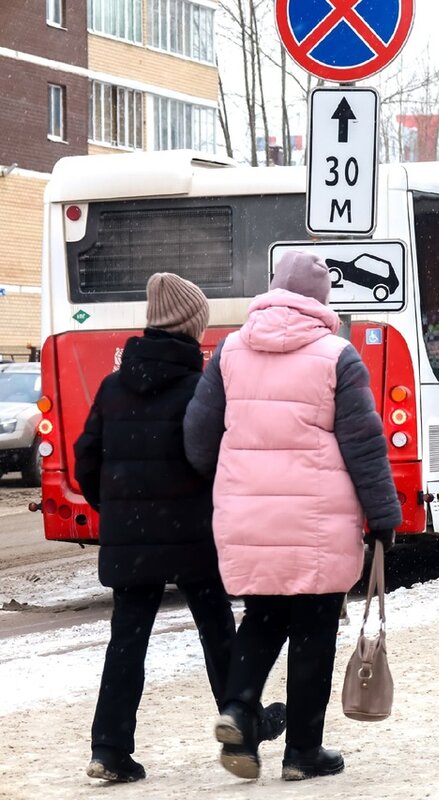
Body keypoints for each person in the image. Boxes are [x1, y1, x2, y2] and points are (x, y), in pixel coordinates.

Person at [184, 251, 402, 782]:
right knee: (314, 627)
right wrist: (383, 516)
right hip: (318, 520)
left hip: (248, 513)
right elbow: (364, 446)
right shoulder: (338, 356)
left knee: (262, 617)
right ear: (322, 299)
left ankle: (238, 709)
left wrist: (236, 476)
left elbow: (197, 437)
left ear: (273, 289)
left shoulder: (230, 350)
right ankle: (302, 751)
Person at [75, 273, 285, 783]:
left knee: (127, 642)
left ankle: (109, 749)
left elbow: (85, 459)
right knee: (218, 630)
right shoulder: (199, 388)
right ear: (192, 327)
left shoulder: (112, 387)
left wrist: (118, 512)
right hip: (195, 533)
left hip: (131, 539)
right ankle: (242, 725)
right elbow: (219, 460)